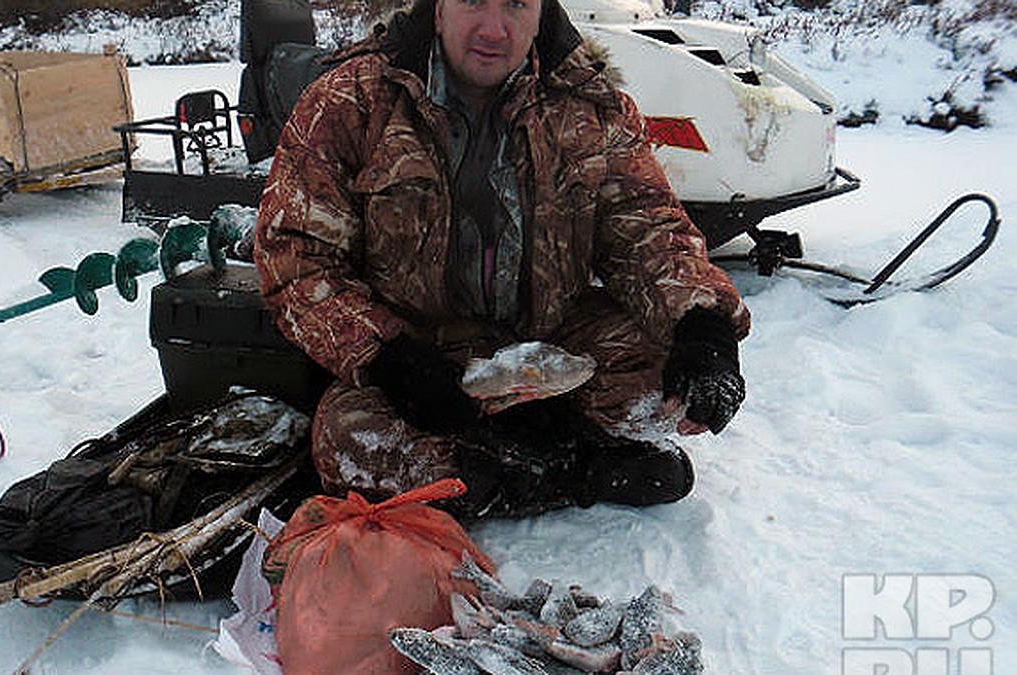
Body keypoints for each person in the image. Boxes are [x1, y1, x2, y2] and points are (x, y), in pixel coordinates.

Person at [254, 0, 750, 518]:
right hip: (424, 356)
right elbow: (296, 258)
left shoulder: (592, 106)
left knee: (663, 378)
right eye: (473, 0)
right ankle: (577, 468)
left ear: (542, 12)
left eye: (516, 4)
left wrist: (704, 324)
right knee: (346, 438)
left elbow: (646, 227)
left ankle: (507, 468)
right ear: (438, 9)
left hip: (556, 344)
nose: (494, 29)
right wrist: (387, 359)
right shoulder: (349, 102)